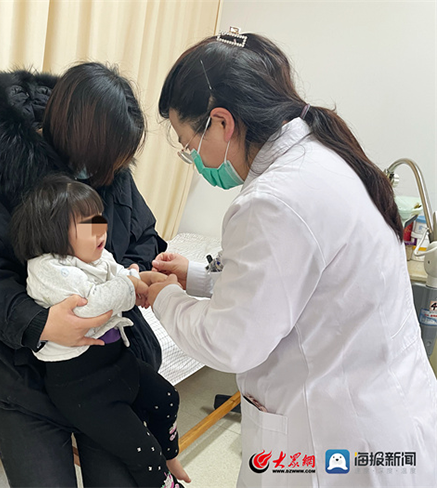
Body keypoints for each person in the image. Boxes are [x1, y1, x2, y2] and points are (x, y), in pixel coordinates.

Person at [147, 31, 437, 487]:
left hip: (335, 438)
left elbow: (231, 340)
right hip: (379, 412)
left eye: (189, 144)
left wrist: (165, 297)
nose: (193, 158)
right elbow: (291, 287)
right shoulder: (321, 155)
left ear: (221, 123)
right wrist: (196, 278)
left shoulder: (272, 201)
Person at [0, 63, 168, 487]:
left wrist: (133, 270)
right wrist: (38, 322)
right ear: (79, 139)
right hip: (23, 379)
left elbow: (144, 234)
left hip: (110, 371)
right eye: (105, 164)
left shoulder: (107, 170)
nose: (110, 175)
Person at [9, 174, 190, 487]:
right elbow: (90, 306)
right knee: (143, 453)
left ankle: (171, 455)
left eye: (99, 218)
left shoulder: (95, 255)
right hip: (84, 386)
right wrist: (131, 286)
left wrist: (142, 280)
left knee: (167, 397)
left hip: (117, 362)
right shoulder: (46, 268)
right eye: (88, 224)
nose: (100, 228)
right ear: (53, 232)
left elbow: (118, 273)